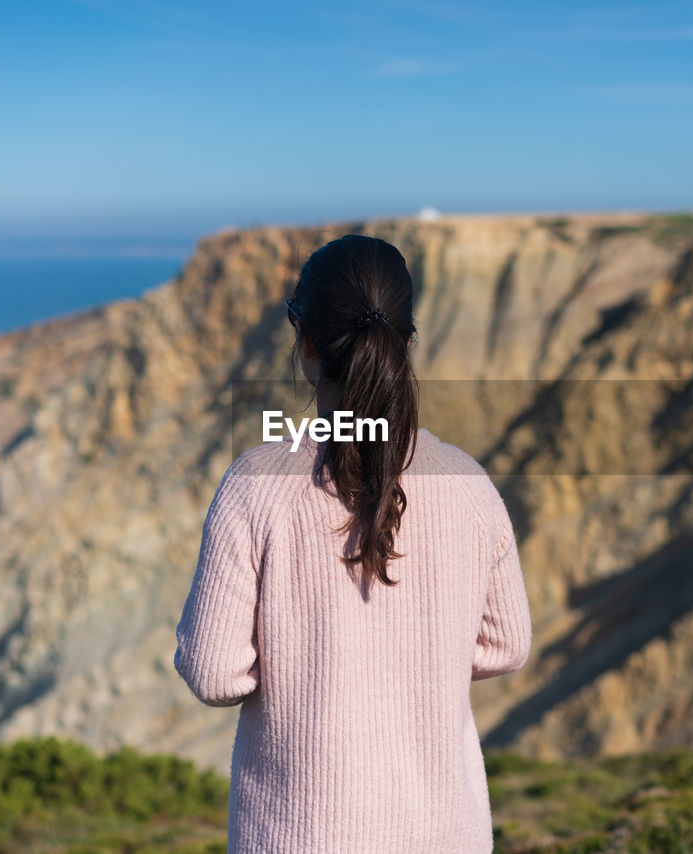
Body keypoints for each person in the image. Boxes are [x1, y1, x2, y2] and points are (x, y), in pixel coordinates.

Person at [174, 233, 534, 853]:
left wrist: (304, 663)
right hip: (445, 836)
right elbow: (507, 644)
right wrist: (415, 658)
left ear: (306, 341)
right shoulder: (469, 484)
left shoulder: (256, 483)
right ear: (408, 342)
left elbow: (213, 672)